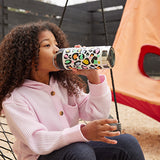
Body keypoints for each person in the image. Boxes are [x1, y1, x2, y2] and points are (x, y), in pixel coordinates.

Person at [0, 21, 145, 160]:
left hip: (73, 149)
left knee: (127, 143)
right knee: (80, 151)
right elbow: (38, 141)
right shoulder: (15, 98)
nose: (57, 49)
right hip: (41, 156)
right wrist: (83, 132)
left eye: (57, 44)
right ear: (27, 56)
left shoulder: (63, 84)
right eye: (47, 45)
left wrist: (93, 77)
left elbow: (97, 114)